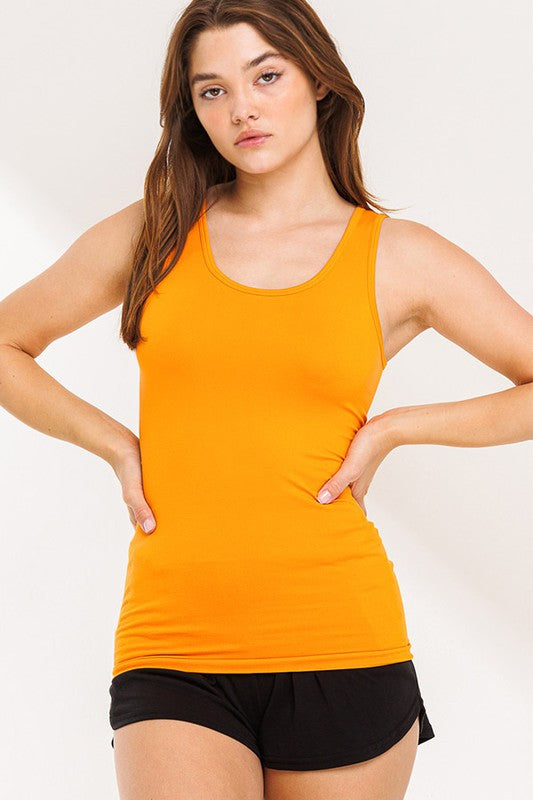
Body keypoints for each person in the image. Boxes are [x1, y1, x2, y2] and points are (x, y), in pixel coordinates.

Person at [1, 1, 531, 798]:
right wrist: (114, 444)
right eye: (210, 90)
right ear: (193, 112)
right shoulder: (157, 233)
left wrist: (396, 428)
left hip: (340, 641)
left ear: (317, 79)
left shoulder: (398, 257)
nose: (241, 106)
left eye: (265, 75)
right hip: (172, 644)